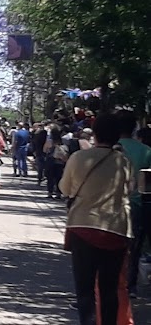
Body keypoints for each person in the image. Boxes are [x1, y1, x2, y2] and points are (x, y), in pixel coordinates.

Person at [59, 113, 132, 325]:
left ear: (96, 134)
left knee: (85, 290)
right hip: (117, 228)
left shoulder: (78, 158)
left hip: (83, 226)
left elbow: (64, 188)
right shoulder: (124, 161)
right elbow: (132, 188)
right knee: (109, 289)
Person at [116, 110, 151, 298]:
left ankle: (111, 283)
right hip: (137, 204)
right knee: (134, 246)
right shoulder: (146, 151)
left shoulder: (110, 148)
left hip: (111, 205)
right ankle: (130, 285)